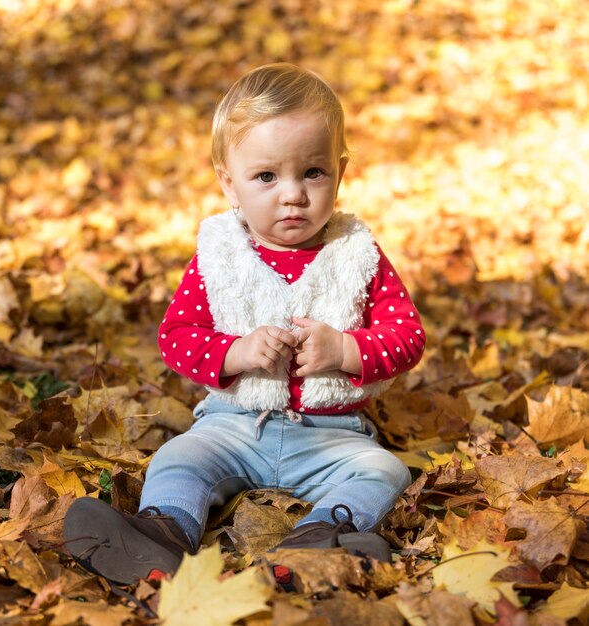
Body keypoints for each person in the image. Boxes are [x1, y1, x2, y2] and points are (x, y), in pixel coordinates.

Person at [63, 63, 426, 585]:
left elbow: (407, 337)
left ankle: (319, 542)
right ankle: (164, 533)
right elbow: (177, 338)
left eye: (313, 173)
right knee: (179, 456)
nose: (293, 194)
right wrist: (236, 353)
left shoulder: (357, 254)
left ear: (340, 173)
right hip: (233, 425)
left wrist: (345, 349)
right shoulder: (221, 257)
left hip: (333, 435)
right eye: (266, 176)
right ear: (230, 185)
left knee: (385, 471)